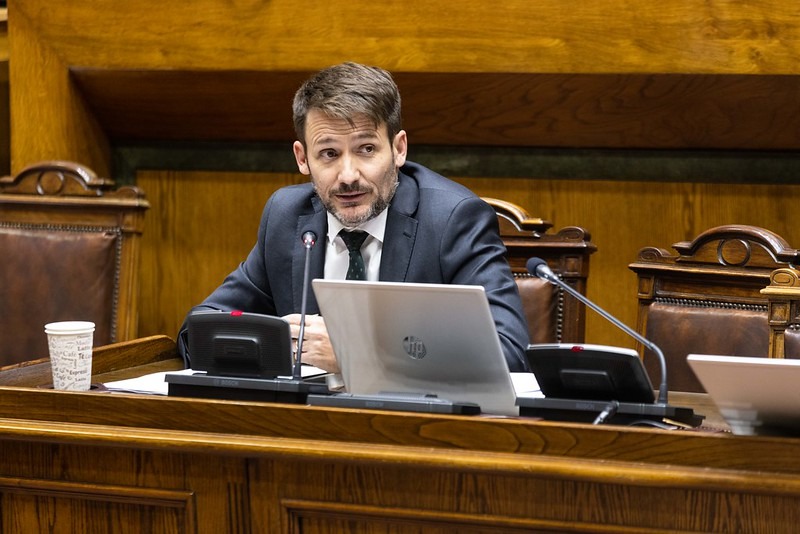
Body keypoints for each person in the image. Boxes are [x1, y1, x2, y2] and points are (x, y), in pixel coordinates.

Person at [177, 62, 530, 373]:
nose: (348, 175)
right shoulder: (287, 216)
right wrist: (275, 343)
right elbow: (201, 331)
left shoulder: (452, 220)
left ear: (398, 148)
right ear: (302, 158)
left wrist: (355, 354)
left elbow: (507, 352)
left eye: (366, 149)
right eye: (329, 153)